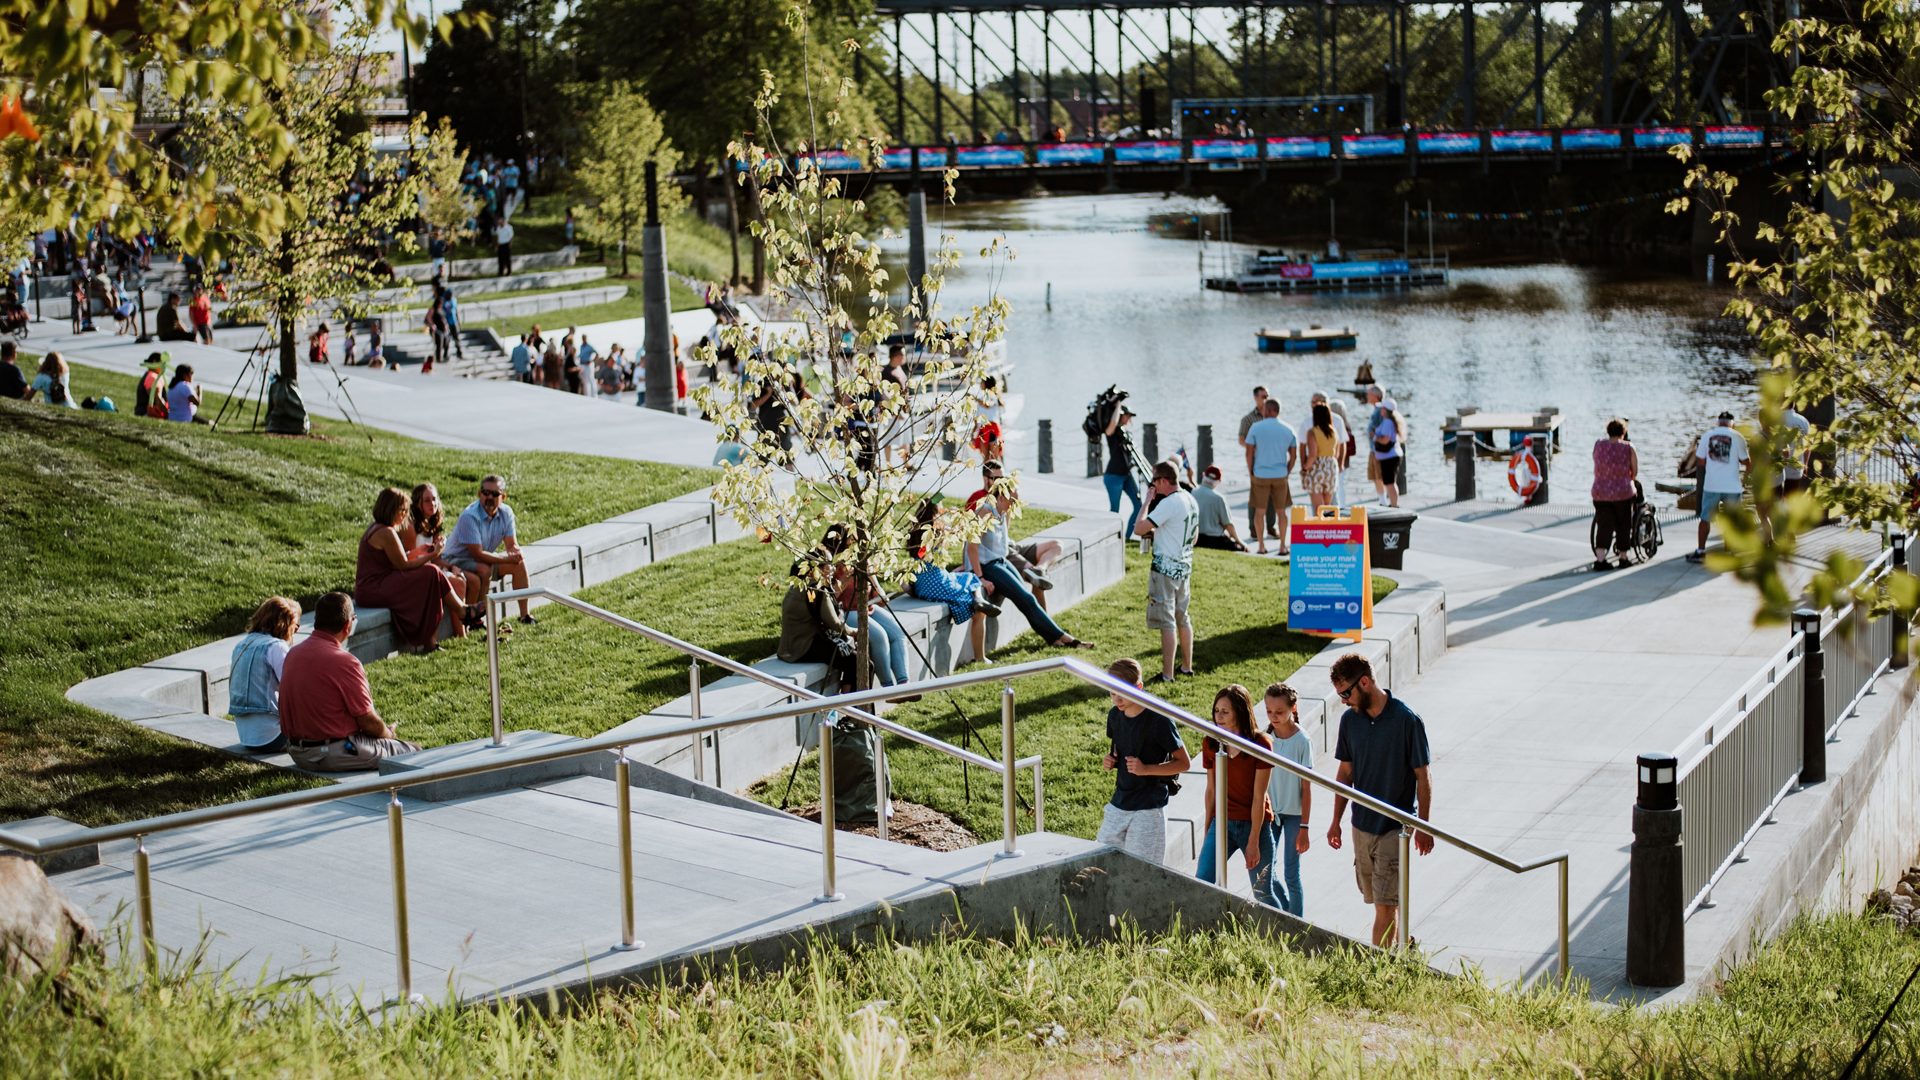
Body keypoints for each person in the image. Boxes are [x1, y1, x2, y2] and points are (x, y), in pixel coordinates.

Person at [1325, 653, 1433, 947]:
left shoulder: (1406, 720)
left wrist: (1423, 826)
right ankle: (1403, 943)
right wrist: (1335, 820)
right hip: (1361, 824)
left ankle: (1379, 971)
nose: (1344, 701)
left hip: (1394, 827)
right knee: (1378, 900)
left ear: (1365, 682)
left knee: (1386, 904)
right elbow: (1345, 772)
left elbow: (1423, 776)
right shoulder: (1350, 722)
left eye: (1346, 693)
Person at [278, 592, 421, 772]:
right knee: (413, 753)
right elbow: (368, 721)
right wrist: (388, 735)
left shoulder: (293, 654)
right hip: (332, 752)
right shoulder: (345, 662)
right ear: (347, 625)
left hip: (298, 752)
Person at [965, 463, 1094, 651]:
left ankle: (1055, 638)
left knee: (1027, 599)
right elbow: (971, 547)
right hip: (988, 567)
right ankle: (1064, 639)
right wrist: (980, 577)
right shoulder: (986, 511)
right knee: (1026, 599)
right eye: (1013, 500)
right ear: (1002, 497)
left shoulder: (1002, 511)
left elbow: (1002, 542)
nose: (1015, 504)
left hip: (1000, 561)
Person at [1096, 656, 1191, 865]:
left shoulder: (1160, 719)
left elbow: (1184, 763)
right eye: (1112, 693)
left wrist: (1146, 769)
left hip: (1149, 807)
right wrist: (1111, 761)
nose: (1116, 700)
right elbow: (1119, 751)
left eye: (1122, 694)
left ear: (1139, 687)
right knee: (1100, 862)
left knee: (1142, 872)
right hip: (1120, 801)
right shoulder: (1114, 716)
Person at [1194, 684, 1282, 908]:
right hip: (1222, 822)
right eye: (1216, 711)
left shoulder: (1260, 744)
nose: (1219, 717)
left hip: (1254, 824)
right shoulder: (1212, 742)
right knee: (1201, 882)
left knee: (1263, 893)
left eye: (1225, 711)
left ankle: (1288, 935)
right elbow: (1211, 790)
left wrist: (1253, 841)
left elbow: (1258, 796)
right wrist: (1208, 827)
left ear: (1240, 712)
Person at [356, 487, 468, 654]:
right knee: (431, 572)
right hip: (373, 588)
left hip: (378, 585)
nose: (404, 515)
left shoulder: (379, 528)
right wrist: (435, 554)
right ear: (390, 510)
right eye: (402, 510)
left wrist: (420, 552)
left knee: (432, 576)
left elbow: (399, 559)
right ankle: (461, 611)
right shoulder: (386, 532)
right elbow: (403, 566)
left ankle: (437, 636)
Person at [907, 497, 1002, 664]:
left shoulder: (915, 531)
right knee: (974, 591)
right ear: (935, 514)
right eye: (941, 511)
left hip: (921, 584)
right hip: (937, 581)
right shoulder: (938, 531)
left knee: (964, 576)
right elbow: (962, 531)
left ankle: (978, 600)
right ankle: (980, 657)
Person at [1135, 460, 1198, 684]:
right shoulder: (1190, 499)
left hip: (1165, 569)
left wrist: (1147, 502)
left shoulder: (1168, 503)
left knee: (1167, 621)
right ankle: (1187, 667)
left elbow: (1139, 527)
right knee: (1183, 616)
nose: (1152, 485)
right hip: (1184, 566)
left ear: (1163, 481)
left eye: (1154, 481)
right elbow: (1194, 536)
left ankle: (1168, 674)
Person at [445, 474, 535, 625]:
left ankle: (525, 616)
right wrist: (507, 558)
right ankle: (475, 619)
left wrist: (516, 554)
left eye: (495, 494)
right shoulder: (469, 516)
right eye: (485, 493)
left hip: (481, 559)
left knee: (519, 565)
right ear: (479, 494)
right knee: (484, 569)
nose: (489, 497)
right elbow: (477, 554)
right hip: (455, 560)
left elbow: (511, 545)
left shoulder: (506, 513)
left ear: (503, 497)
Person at [402, 482, 488, 632]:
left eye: (434, 499)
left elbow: (434, 559)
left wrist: (449, 566)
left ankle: (471, 624)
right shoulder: (411, 527)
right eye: (427, 500)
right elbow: (408, 560)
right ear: (417, 503)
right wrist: (436, 554)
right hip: (416, 572)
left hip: (433, 568)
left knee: (471, 580)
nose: (432, 504)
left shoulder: (432, 524)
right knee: (459, 583)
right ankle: (460, 633)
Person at [776, 546, 858, 694]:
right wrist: (855, 632)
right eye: (828, 564)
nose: (832, 568)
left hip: (789, 648)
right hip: (805, 648)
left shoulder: (798, 585)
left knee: (854, 659)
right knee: (857, 662)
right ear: (816, 568)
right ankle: (853, 710)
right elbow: (834, 623)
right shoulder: (817, 590)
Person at [1263, 682, 1313, 918]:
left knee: (1291, 873)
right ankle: (1286, 915)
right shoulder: (1265, 739)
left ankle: (1298, 926)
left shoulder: (1302, 741)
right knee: (1267, 871)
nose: (1274, 716)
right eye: (1269, 711)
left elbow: (1307, 786)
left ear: (1293, 708)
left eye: (1279, 712)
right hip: (1271, 815)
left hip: (1294, 816)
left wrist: (1304, 826)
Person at [227, 596, 302, 753]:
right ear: (285, 624)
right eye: (295, 626)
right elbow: (293, 690)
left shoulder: (241, 645)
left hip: (246, 737)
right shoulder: (276, 647)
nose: (296, 631)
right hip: (272, 737)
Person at [1687, 410, 1751, 563]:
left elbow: (1700, 462)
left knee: (1705, 519)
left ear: (1718, 422)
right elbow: (1747, 462)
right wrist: (1745, 480)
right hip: (1733, 486)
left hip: (1712, 485)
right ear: (1732, 423)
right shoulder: (1738, 437)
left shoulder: (1708, 435)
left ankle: (1701, 551)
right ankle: (1731, 550)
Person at [1243, 399, 1298, 556]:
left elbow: (1249, 452)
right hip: (1280, 475)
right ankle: (1282, 546)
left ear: (1268, 410)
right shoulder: (1288, 429)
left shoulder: (1256, 428)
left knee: (1259, 512)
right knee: (1282, 512)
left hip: (1260, 475)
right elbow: (1294, 456)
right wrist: (1287, 471)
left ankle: (1261, 545)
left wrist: (1251, 471)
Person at [1591, 418, 1640, 570]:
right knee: (1623, 524)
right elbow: (1634, 471)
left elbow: (1596, 462)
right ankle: (1623, 558)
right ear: (1623, 432)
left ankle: (1600, 560)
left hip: (1600, 492)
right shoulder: (1628, 447)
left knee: (1604, 525)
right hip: (1622, 493)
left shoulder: (1599, 445)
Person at [1238, 386, 1277, 539]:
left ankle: (1271, 527)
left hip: (1272, 460)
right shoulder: (1248, 419)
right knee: (1256, 495)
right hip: (1256, 461)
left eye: (1268, 395)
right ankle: (1253, 527)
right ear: (1256, 398)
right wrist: (1255, 447)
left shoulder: (1273, 417)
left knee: (1272, 495)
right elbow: (1241, 440)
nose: (1266, 399)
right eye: (1263, 396)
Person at [1102, 404, 1144, 536]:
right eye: (1127, 416)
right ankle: (1110, 537)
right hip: (1113, 476)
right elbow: (1110, 428)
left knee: (1139, 506)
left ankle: (1127, 538)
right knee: (1115, 510)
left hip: (1126, 475)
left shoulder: (1124, 433)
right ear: (1120, 415)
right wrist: (1117, 405)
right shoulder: (1112, 432)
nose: (1129, 419)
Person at [1190, 465, 1246, 552]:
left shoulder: (1192, 493)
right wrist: (1240, 542)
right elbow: (1228, 524)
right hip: (1215, 540)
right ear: (1219, 481)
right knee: (1240, 549)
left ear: (1203, 475)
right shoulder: (1219, 498)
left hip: (1196, 538)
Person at [1302, 401, 1343, 511]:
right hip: (1331, 466)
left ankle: (1318, 527)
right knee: (1326, 506)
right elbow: (1337, 454)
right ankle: (1328, 527)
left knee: (1318, 509)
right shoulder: (1334, 432)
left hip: (1317, 467)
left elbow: (1313, 454)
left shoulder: (1312, 432)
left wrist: (1305, 468)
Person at [1371, 398, 1404, 508]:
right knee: (1390, 482)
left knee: (1390, 482)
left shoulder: (1387, 422)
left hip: (1390, 457)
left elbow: (1385, 439)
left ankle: (1394, 505)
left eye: (1382, 408)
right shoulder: (1390, 422)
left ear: (1385, 410)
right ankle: (1394, 504)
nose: (1380, 410)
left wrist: (1375, 436)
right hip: (1391, 456)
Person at [1779, 404, 1812, 497]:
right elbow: (1807, 446)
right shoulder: (1803, 421)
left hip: (1777, 470)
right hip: (1796, 469)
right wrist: (1805, 464)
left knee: (1777, 502)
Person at [133, 351, 169, 418]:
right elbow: (157, 399)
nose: (164, 366)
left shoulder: (153, 375)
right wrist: (168, 415)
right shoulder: (152, 377)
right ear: (155, 362)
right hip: (146, 414)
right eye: (163, 363)